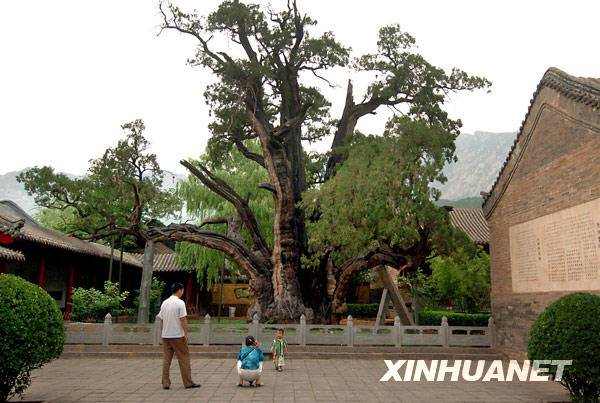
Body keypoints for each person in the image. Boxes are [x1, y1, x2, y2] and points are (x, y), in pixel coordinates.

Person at [156, 282, 200, 390]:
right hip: (177, 335)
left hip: (166, 335)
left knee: (167, 359)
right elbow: (183, 319)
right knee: (184, 358)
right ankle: (188, 382)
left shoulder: (164, 303)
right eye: (182, 290)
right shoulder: (180, 303)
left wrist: (163, 331)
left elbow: (160, 318)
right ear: (180, 290)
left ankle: (165, 382)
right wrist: (185, 333)